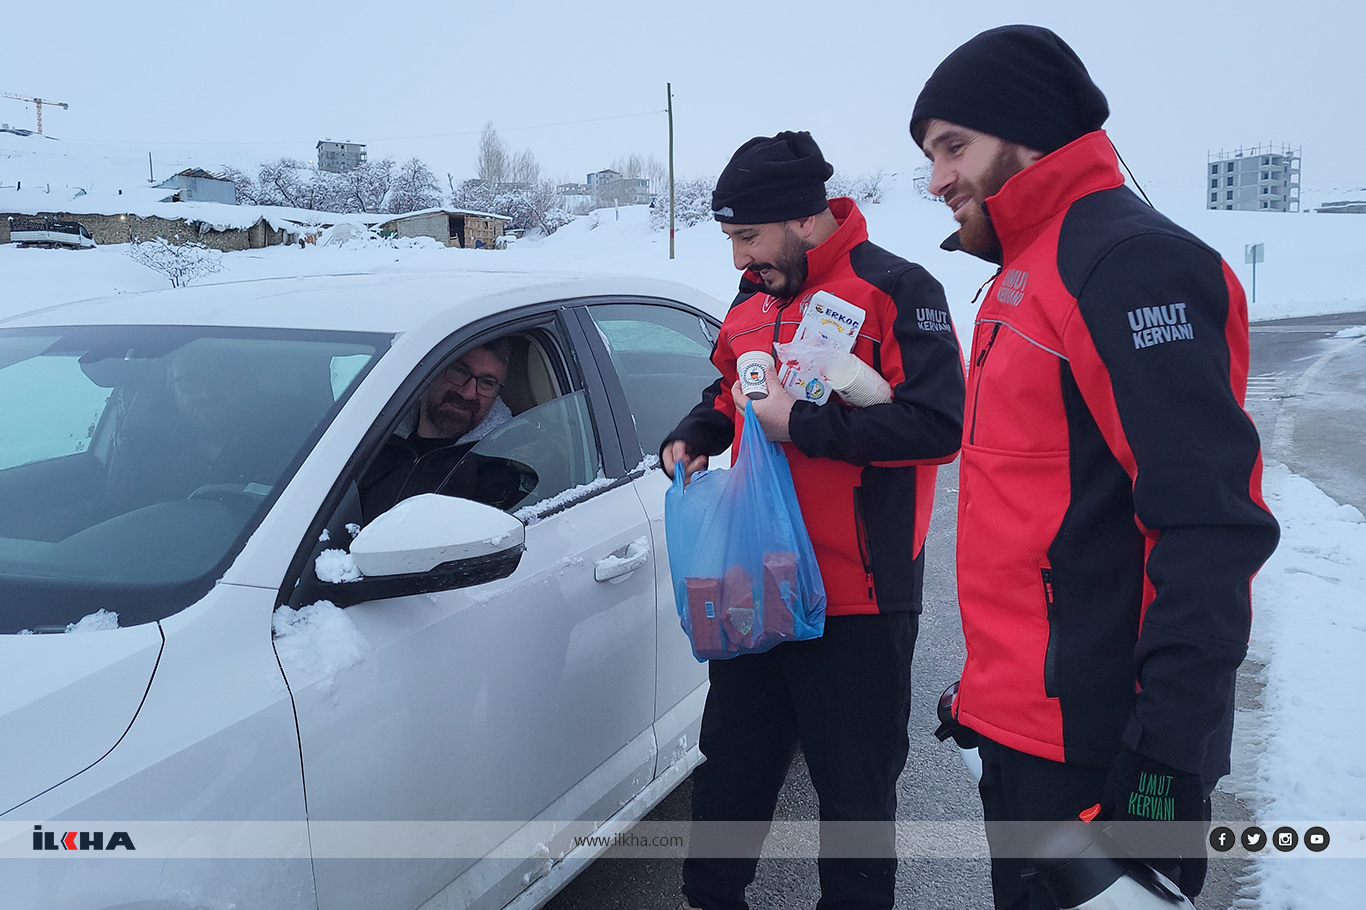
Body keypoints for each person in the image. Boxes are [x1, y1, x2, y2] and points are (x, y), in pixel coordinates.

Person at [908, 25, 1281, 908]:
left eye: (952, 146)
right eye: (929, 155)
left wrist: (1165, 762)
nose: (936, 180)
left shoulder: (1125, 262)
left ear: (1027, 128)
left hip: (1105, 747)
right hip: (1025, 733)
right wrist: (985, 697)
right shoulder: (1023, 272)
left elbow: (1208, 525)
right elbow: (1042, 517)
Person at [662, 130, 965, 910]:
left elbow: (937, 427)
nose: (737, 259)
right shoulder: (752, 299)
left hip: (858, 597)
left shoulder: (897, 289)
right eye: (729, 239)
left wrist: (807, 427)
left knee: (855, 797)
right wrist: (699, 433)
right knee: (730, 769)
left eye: (747, 237)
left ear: (804, 218)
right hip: (758, 582)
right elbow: (730, 393)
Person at [358, 339, 518, 522]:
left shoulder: (498, 467)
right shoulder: (372, 438)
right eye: (459, 371)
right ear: (431, 372)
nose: (468, 393)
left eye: (487, 383)